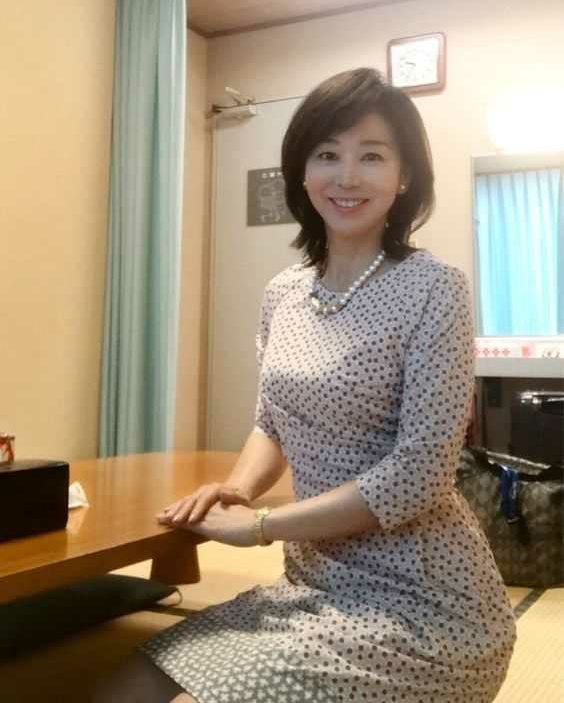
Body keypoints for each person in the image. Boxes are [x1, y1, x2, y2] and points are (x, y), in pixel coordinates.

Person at [94, 67, 516, 703]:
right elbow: (272, 421)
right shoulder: (283, 293)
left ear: (404, 176)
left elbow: (421, 474)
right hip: (311, 583)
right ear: (302, 172)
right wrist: (237, 490)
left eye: (371, 156)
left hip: (425, 606)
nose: (347, 177)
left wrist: (263, 526)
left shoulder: (436, 289)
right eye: (327, 154)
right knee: (119, 690)